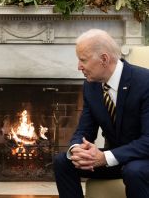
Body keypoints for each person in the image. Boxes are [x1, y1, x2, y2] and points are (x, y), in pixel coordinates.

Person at [53, 29, 149, 198]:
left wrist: (105, 157)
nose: (78, 66)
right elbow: (84, 130)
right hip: (116, 159)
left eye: (83, 60)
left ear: (104, 59)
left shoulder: (145, 82)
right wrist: (78, 149)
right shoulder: (91, 86)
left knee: (134, 171)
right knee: (63, 161)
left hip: (143, 158)